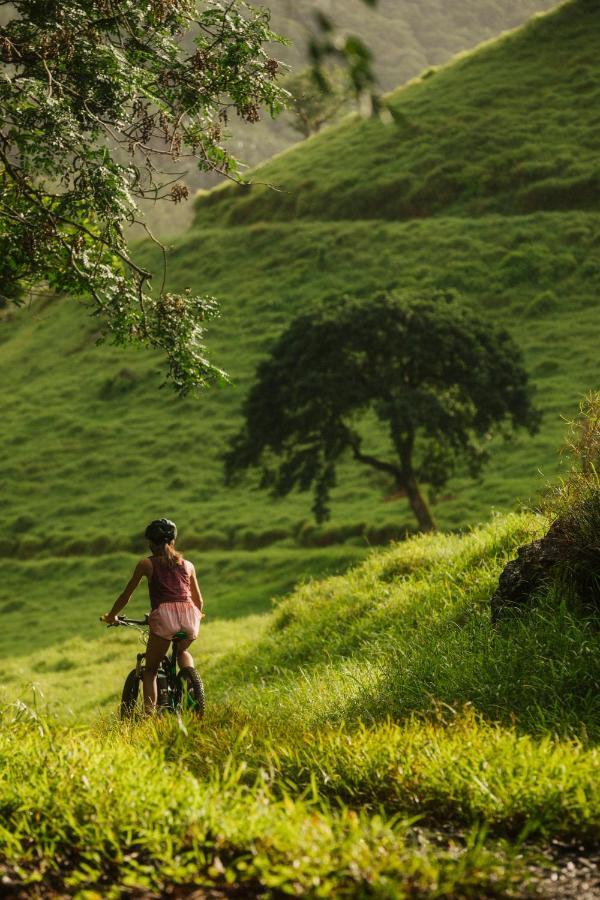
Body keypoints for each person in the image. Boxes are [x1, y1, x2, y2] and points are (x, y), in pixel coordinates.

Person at [103, 518, 204, 714]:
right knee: (182, 652)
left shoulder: (146, 564)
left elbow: (126, 595)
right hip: (191, 617)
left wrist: (112, 615)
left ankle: (149, 715)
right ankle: (191, 684)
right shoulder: (188, 565)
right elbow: (198, 600)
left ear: (150, 543)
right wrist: (198, 615)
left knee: (150, 669)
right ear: (173, 541)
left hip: (164, 617)